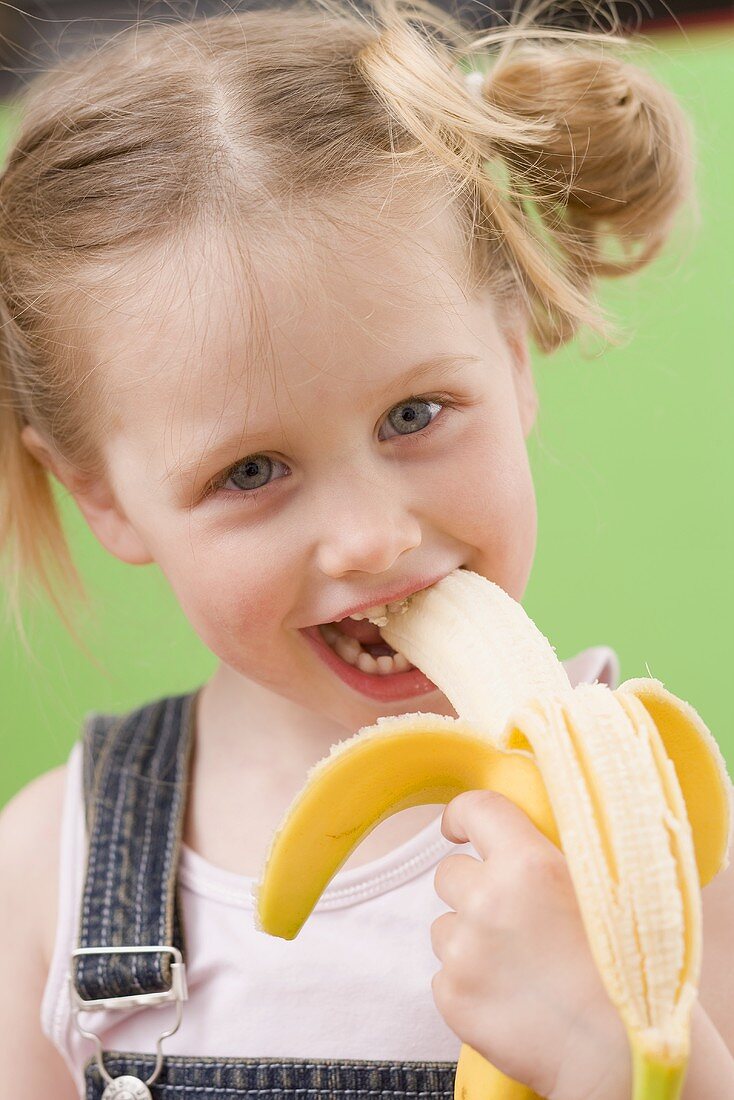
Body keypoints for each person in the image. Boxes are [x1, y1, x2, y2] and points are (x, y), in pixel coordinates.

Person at [3, 0, 731, 1097]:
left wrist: (618, 1056)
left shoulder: (673, 834)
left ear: (513, 348)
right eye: (250, 471)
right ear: (102, 497)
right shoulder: (45, 873)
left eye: (415, 414)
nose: (371, 536)